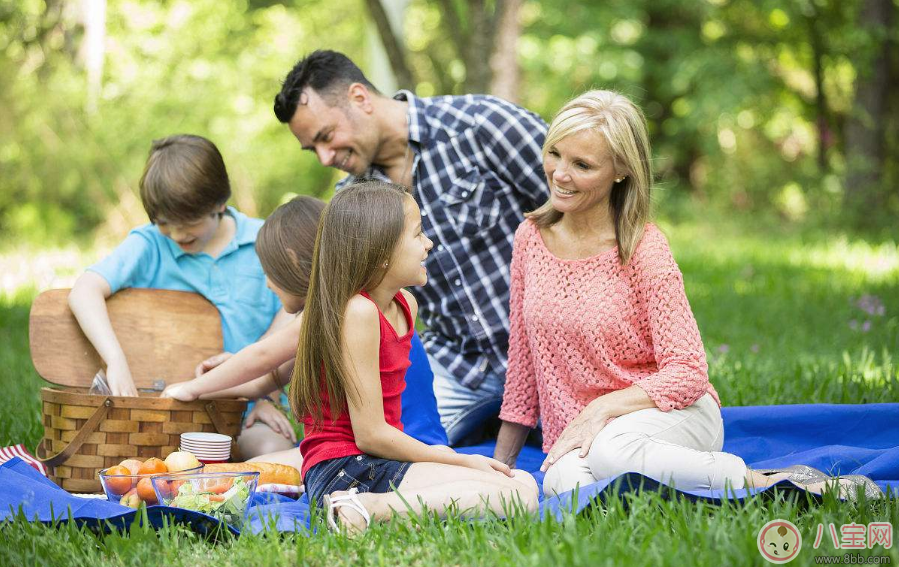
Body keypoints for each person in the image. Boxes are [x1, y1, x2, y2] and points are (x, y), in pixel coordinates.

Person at [493, 90, 878, 499]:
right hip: (583, 434)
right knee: (563, 485)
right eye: (555, 153)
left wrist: (601, 408)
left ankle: (771, 482)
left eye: (582, 164)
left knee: (614, 452)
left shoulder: (643, 248)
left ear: (620, 170)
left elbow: (689, 372)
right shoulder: (531, 237)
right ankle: (695, 491)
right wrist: (501, 468)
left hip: (670, 414)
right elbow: (523, 367)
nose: (560, 174)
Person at [273, 50, 550, 445]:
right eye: (312, 149)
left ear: (360, 98)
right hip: (457, 368)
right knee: (388, 451)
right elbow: (321, 295)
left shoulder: (481, 124)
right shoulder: (355, 200)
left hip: (545, 353)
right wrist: (254, 375)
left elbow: (590, 212)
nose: (324, 157)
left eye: (325, 136)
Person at [294, 180, 537, 534]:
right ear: (381, 252)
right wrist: (459, 459)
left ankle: (370, 508)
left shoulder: (405, 304)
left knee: (524, 486)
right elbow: (371, 434)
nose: (429, 243)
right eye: (418, 233)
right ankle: (365, 508)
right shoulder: (358, 312)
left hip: (379, 461)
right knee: (516, 497)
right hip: (343, 470)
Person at [68, 134, 293, 459]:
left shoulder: (265, 240)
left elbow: (291, 321)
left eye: (188, 223)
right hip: (169, 409)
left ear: (219, 203)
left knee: (269, 450)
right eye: (163, 224)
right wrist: (115, 360)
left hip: (247, 409)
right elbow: (84, 290)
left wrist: (267, 397)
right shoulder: (149, 245)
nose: (176, 235)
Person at [162, 195, 325, 471]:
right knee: (250, 468)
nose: (268, 284)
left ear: (293, 262)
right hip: (345, 447)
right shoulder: (331, 311)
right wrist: (207, 386)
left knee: (241, 473)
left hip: (356, 452)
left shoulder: (321, 315)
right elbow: (267, 378)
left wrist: (193, 388)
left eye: (269, 273)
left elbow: (262, 357)